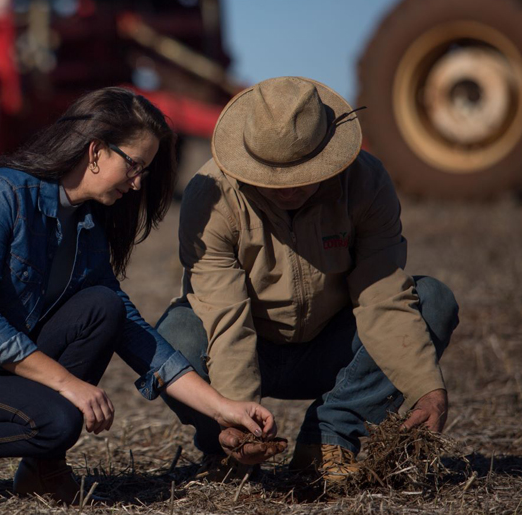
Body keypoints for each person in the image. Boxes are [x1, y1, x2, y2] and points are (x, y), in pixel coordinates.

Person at [0, 87, 278, 506]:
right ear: (96, 151)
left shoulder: (87, 224)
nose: (137, 185)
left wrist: (223, 408)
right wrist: (69, 385)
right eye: (134, 166)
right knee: (58, 419)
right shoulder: (1, 193)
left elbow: (133, 333)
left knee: (104, 307)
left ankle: (40, 471)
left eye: (145, 173)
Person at [155, 76, 460, 482]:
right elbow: (224, 319)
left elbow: (384, 295)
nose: (285, 190)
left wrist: (427, 388)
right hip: (245, 347)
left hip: (332, 350)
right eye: (270, 176)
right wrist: (238, 416)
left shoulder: (366, 183)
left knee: (433, 300)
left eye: (301, 173)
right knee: (176, 336)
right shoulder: (210, 196)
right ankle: (226, 450)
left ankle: (328, 438)